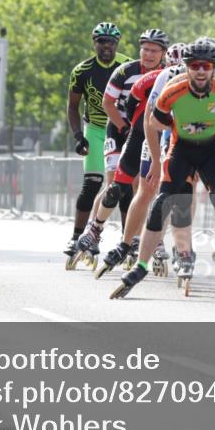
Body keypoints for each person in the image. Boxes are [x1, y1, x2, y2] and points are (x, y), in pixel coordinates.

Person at [111, 37, 215, 299]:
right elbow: (151, 123)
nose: (201, 70)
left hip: (212, 151)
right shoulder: (173, 89)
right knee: (162, 204)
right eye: (195, 65)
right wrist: (158, 161)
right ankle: (141, 266)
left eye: (206, 65)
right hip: (181, 148)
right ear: (187, 67)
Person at [72, 29, 169, 266]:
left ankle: (140, 238)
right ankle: (93, 233)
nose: (147, 54)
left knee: (143, 186)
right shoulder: (125, 70)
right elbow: (107, 102)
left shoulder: (168, 73)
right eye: (144, 49)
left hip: (147, 132)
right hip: (119, 128)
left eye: (153, 50)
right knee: (115, 184)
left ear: (163, 53)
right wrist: (123, 127)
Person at [64, 22, 131, 266]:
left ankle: (128, 240)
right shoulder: (82, 70)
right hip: (95, 129)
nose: (106, 46)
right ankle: (76, 238)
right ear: (94, 43)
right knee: (92, 183)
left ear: (117, 44)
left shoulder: (127, 66)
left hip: (121, 129)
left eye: (111, 42)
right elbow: (73, 106)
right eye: (101, 41)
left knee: (125, 187)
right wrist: (78, 136)